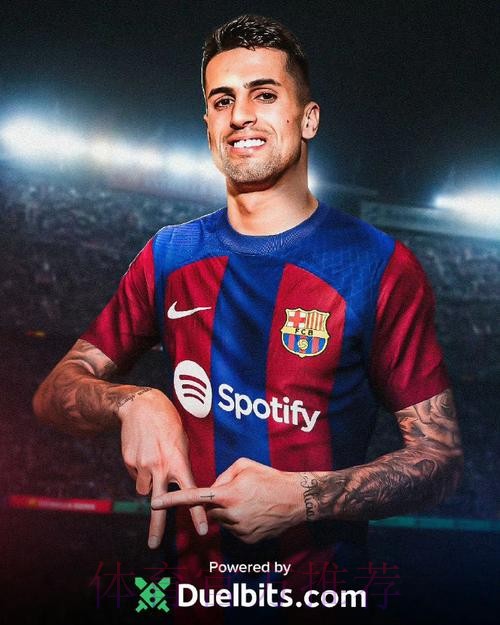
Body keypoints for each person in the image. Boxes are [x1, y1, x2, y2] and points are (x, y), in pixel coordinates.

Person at [33, 13, 463, 622]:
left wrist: (305, 497)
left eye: (264, 95)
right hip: (187, 598)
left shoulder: (378, 265)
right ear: (209, 125)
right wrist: (133, 402)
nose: (240, 115)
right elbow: (55, 392)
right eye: (222, 101)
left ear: (307, 118)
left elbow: (440, 459)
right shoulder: (169, 255)